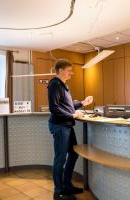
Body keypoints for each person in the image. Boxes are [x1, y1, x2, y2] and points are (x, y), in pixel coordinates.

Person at [48, 59, 93, 200]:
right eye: (69, 71)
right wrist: (72, 115)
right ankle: (58, 191)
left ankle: (67, 185)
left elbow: (67, 105)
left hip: (67, 125)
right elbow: (54, 108)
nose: (71, 73)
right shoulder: (55, 84)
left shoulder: (63, 85)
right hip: (60, 126)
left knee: (73, 154)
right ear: (60, 70)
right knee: (60, 158)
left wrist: (82, 103)